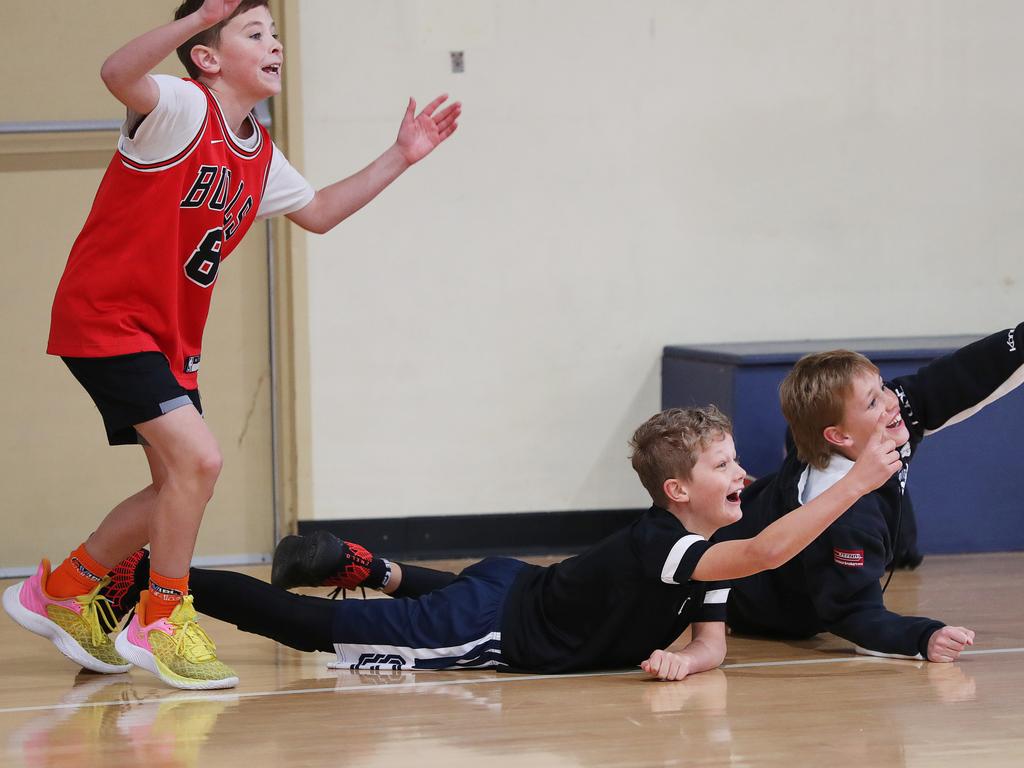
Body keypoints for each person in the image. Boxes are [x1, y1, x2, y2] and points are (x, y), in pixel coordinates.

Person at [2, 0, 459, 690]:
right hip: (106, 318)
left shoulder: (258, 150)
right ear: (208, 57)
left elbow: (320, 213)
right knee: (202, 459)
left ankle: (62, 588)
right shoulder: (182, 109)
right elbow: (116, 71)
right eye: (254, 32)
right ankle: (161, 619)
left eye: (275, 32)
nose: (274, 43)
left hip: (168, 338)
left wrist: (401, 155)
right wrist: (192, 21)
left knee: (173, 485)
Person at [102, 405, 901, 680]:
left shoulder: (707, 545)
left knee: (465, 589)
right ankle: (147, 576)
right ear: (676, 491)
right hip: (488, 627)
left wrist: (685, 658)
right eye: (725, 465)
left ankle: (370, 568)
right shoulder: (677, 546)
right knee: (310, 631)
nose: (745, 475)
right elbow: (768, 553)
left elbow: (713, 644)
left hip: (514, 583)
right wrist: (858, 480)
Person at [718, 322, 1024, 662]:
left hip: (775, 501)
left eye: (881, 388)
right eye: (872, 402)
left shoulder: (869, 423)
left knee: (897, 532)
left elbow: (956, 378)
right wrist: (922, 637)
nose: (892, 400)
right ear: (840, 436)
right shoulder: (847, 518)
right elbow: (853, 614)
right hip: (751, 598)